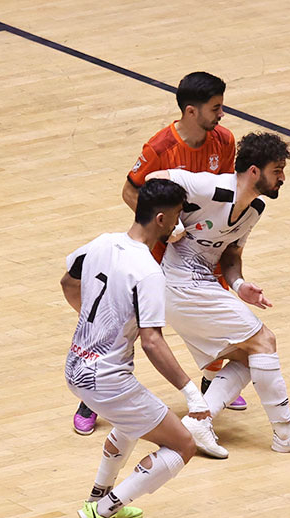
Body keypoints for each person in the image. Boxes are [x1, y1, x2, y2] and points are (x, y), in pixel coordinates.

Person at [72, 71, 244, 437]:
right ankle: (92, 397)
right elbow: (129, 192)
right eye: (216, 108)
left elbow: (225, 191)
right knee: (130, 321)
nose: (222, 114)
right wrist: (169, 224)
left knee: (212, 312)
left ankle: (212, 381)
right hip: (160, 246)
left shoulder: (225, 141)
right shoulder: (161, 147)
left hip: (201, 249)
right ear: (191, 111)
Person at [143, 131, 290, 459]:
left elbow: (230, 256)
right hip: (180, 284)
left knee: (249, 358)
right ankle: (286, 433)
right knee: (265, 341)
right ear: (254, 171)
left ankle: (199, 422)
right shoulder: (210, 188)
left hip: (194, 288)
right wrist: (170, 226)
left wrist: (241, 285)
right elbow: (152, 179)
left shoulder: (255, 208)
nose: (282, 178)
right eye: (277, 170)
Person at [61, 180, 207, 518]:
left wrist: (98, 325)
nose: (178, 224)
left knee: (131, 422)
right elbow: (152, 342)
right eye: (176, 216)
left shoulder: (101, 243)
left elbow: (68, 280)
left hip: (76, 365)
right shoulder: (148, 271)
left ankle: (98, 495)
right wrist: (192, 393)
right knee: (183, 445)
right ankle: (103, 510)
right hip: (106, 380)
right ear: (160, 219)